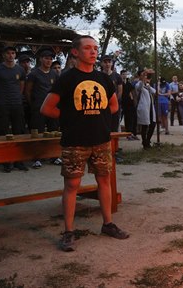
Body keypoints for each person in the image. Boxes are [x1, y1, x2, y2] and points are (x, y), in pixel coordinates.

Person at [40, 35, 129, 252]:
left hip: (101, 140)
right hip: (75, 142)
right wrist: (71, 117)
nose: (93, 52)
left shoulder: (104, 79)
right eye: (88, 48)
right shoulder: (66, 79)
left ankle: (107, 224)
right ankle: (69, 232)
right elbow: (47, 108)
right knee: (72, 185)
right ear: (76, 52)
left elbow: (114, 106)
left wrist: (96, 115)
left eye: (95, 48)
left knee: (104, 181)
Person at [0, 47, 28, 172]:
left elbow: (21, 86)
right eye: (8, 53)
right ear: (3, 55)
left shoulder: (20, 70)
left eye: (13, 53)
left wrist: (16, 97)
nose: (11, 55)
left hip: (17, 104)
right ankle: (6, 161)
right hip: (2, 105)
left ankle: (18, 161)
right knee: (3, 132)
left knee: (19, 131)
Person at [25, 48, 60, 169]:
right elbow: (28, 91)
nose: (48, 61)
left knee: (53, 131)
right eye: (46, 58)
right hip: (38, 108)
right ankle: (37, 158)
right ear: (41, 59)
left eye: (50, 59)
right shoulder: (34, 74)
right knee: (37, 132)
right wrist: (33, 104)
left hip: (52, 107)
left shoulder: (54, 74)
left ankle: (54, 156)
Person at [134, 68, 157, 149]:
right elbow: (139, 88)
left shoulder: (147, 85)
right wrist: (143, 78)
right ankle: (145, 143)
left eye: (146, 75)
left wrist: (148, 85)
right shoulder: (138, 84)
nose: (145, 77)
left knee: (153, 124)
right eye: (143, 75)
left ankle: (147, 140)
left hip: (150, 107)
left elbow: (154, 91)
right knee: (145, 126)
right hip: (143, 107)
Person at [100, 55, 123, 132]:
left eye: (109, 62)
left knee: (114, 126)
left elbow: (120, 91)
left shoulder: (117, 76)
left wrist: (115, 101)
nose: (107, 64)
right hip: (102, 105)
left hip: (114, 105)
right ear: (101, 64)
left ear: (112, 63)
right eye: (105, 62)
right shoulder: (98, 76)